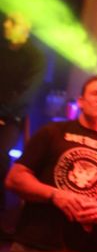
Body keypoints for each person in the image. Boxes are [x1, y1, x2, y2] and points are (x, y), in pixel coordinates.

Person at [5, 74, 97, 251]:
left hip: (81, 249)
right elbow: (14, 178)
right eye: (95, 93)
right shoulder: (52, 132)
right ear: (80, 102)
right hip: (34, 241)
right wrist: (55, 195)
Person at [0, 11, 45, 207]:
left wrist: (3, 113)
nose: (6, 25)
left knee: (0, 156)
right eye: (7, 21)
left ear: (26, 27)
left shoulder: (35, 57)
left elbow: (27, 94)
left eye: (12, 22)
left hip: (12, 117)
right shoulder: (2, 50)